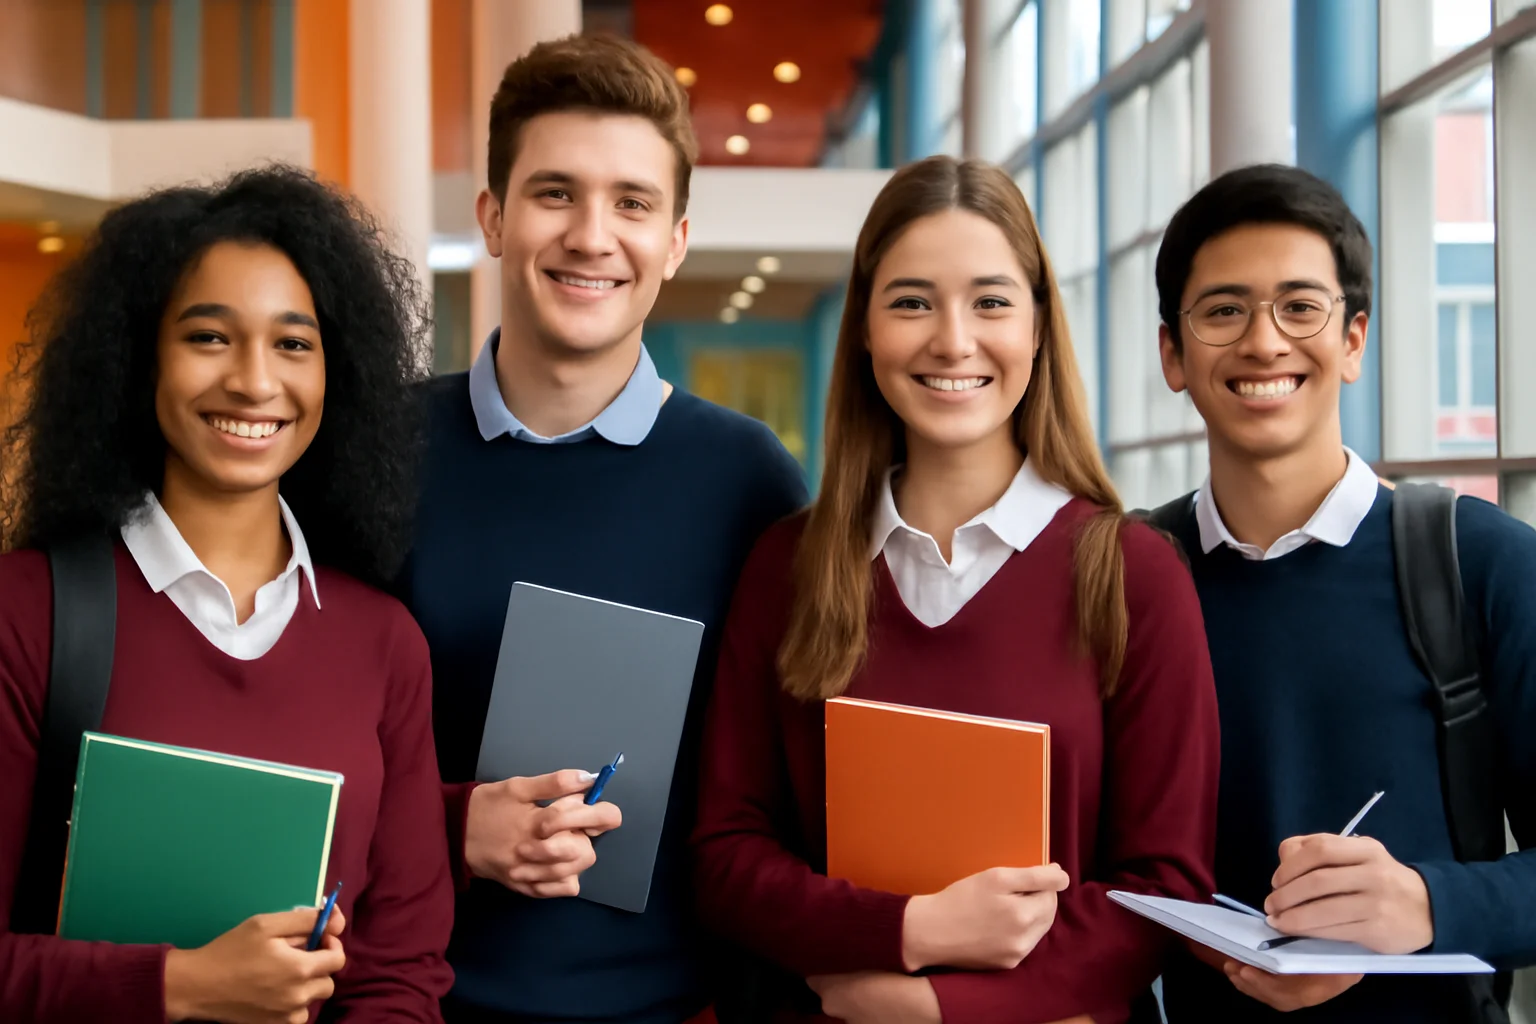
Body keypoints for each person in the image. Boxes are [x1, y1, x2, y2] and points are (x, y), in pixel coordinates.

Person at [688, 155, 1221, 1024]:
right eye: (911, 302)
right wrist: (908, 930)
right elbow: (725, 855)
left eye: (991, 302)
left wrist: (935, 1004)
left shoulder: (1133, 575)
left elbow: (1164, 889)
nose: (953, 340)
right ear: (865, 328)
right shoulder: (786, 567)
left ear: (1039, 327)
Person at [392, 34, 808, 1024]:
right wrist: (450, 825)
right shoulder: (377, 452)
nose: (591, 235)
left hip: (674, 1007)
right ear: (493, 218)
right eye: (555, 193)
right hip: (410, 1000)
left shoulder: (750, 481)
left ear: (675, 240)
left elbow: (778, 793)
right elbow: (304, 745)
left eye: (631, 203)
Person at [0, 166, 455, 1023]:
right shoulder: (26, 614)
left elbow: (401, 968)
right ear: (140, 359)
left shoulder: (383, 643)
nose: (253, 381)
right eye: (209, 337)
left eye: (293, 344)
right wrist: (183, 984)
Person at [1149, 163, 1536, 1023]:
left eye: (1300, 307)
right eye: (1224, 311)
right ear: (1173, 354)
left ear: (1354, 340)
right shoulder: (1131, 576)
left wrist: (1428, 906)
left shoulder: (1482, 563)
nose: (1264, 342)